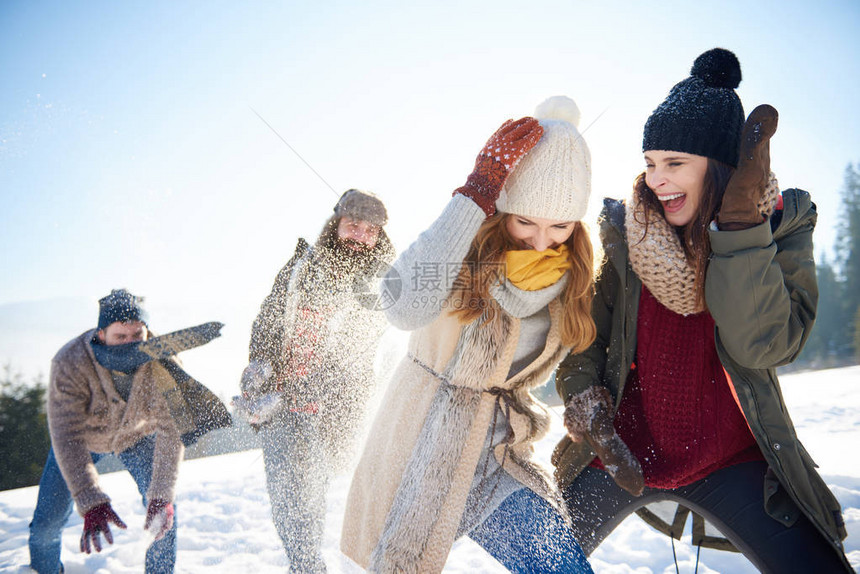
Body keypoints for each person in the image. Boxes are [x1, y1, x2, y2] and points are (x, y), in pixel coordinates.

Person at [553, 48, 853, 573]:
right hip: (619, 453)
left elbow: (763, 344)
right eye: (650, 163)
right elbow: (587, 340)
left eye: (675, 164)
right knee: (539, 559)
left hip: (732, 457)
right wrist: (588, 407)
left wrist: (739, 231)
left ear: (720, 167)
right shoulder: (628, 239)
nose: (656, 180)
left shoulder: (778, 229)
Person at [342, 97, 596, 574]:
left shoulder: (577, 278)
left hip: (496, 460)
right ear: (502, 212)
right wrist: (474, 196)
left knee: (565, 569)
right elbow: (401, 306)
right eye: (525, 221)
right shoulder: (460, 253)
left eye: (559, 226)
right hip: (419, 450)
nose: (541, 242)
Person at [238, 189, 395, 574]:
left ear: (380, 236)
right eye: (352, 225)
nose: (359, 236)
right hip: (279, 404)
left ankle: (308, 568)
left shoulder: (383, 284)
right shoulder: (301, 266)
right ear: (336, 224)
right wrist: (260, 366)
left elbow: (357, 355)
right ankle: (305, 566)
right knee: (286, 503)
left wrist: (306, 391)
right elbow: (269, 318)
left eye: (369, 230)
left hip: (329, 412)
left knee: (308, 501)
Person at [28, 288, 229, 574]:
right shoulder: (70, 362)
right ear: (101, 335)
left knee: (163, 514)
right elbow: (66, 434)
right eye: (120, 337)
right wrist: (90, 498)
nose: (129, 344)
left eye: (137, 336)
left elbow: (171, 431)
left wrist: (161, 495)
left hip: (134, 437)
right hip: (81, 442)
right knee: (47, 524)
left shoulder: (163, 362)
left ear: (147, 332)